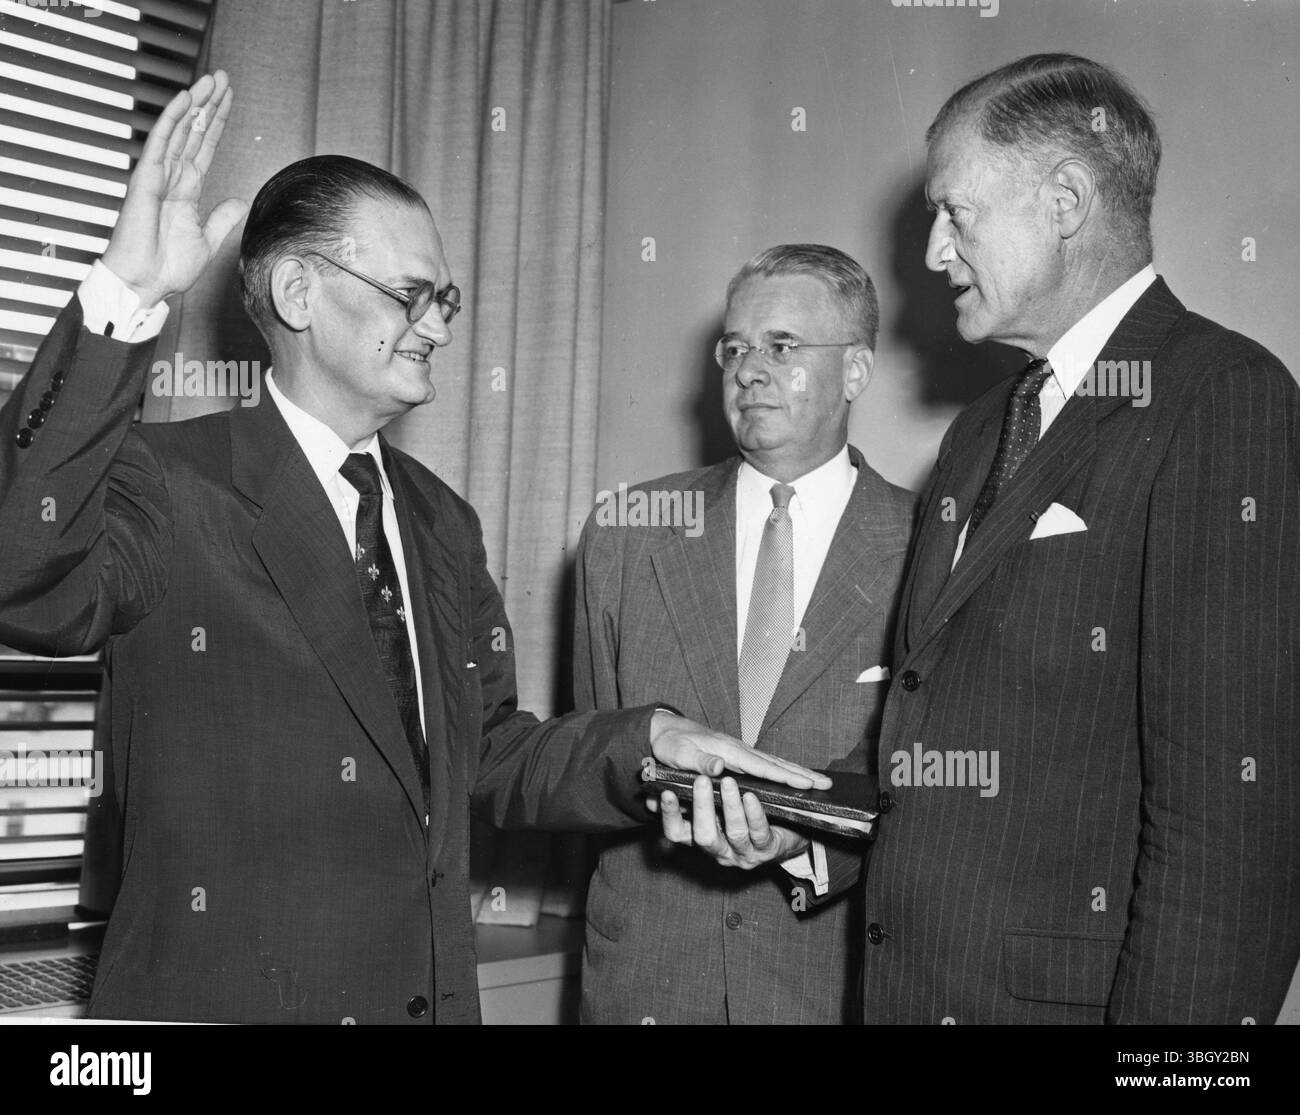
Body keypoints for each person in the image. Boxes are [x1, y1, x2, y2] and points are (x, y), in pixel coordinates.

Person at [0, 72, 822, 1024]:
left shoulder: (440, 519)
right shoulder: (169, 481)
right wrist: (126, 293)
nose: (438, 324)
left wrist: (649, 740)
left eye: (448, 297)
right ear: (299, 292)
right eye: (411, 293)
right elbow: (23, 574)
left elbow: (489, 753)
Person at [658, 53, 1300, 1024]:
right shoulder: (976, 434)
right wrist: (804, 834)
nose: (932, 253)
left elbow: (1233, 826)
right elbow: (953, 757)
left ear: (1065, 200)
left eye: (956, 213)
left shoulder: (1221, 397)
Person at [574, 245, 914, 1024]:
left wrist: (806, 847)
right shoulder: (628, 532)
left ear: (857, 370)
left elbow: (932, 800)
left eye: (783, 347)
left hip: (830, 987)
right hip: (647, 982)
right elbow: (593, 753)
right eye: (734, 348)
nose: (749, 369)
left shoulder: (930, 544)